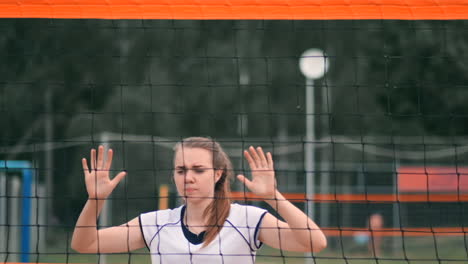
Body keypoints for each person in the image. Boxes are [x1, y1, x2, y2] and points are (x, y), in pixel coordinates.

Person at [71, 137, 327, 263]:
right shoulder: (156, 223)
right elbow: (85, 244)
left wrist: (273, 197)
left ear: (217, 174)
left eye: (198, 170)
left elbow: (315, 242)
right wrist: (95, 200)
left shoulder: (247, 220)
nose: (188, 178)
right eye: (181, 170)